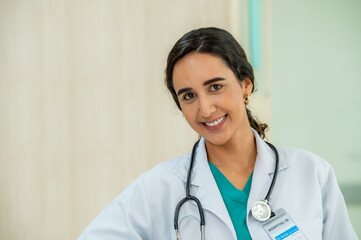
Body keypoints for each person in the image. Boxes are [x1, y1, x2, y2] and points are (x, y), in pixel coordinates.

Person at [78, 27, 357, 240]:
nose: (206, 108)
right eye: (188, 96)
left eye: (215, 87)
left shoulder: (311, 173)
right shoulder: (158, 188)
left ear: (245, 86)